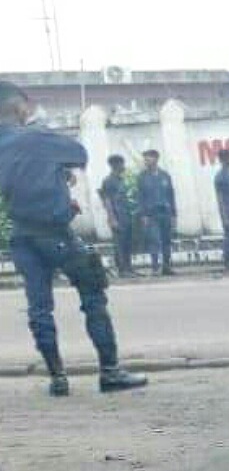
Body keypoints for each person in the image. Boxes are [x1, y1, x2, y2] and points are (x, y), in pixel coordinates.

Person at [0, 81, 147, 397]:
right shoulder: (37, 136)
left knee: (39, 308)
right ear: (17, 106)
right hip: (56, 234)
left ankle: (58, 379)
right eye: (26, 105)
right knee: (93, 292)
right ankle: (110, 372)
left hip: (22, 237)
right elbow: (79, 154)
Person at [136, 149, 176, 275]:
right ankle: (155, 267)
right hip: (151, 214)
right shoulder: (142, 177)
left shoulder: (165, 175)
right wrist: (143, 215)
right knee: (154, 240)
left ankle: (166, 267)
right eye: (145, 159)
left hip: (165, 212)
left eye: (148, 158)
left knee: (166, 240)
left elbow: (171, 195)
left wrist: (174, 214)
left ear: (156, 159)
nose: (146, 161)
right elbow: (140, 197)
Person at [99, 155, 137, 278]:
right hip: (117, 216)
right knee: (119, 244)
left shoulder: (123, 179)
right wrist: (112, 218)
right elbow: (107, 201)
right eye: (121, 163)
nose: (123, 166)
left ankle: (129, 268)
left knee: (128, 243)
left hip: (127, 215)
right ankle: (122, 270)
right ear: (114, 165)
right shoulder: (108, 181)